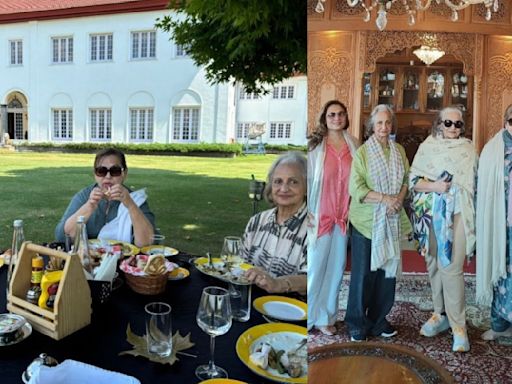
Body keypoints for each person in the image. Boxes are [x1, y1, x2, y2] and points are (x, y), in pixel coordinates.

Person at [409, 106, 477, 352]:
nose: (453, 128)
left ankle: (459, 327)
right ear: (439, 124)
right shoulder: (427, 147)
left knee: (451, 267)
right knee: (434, 263)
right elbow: (413, 182)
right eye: (448, 123)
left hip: (457, 214)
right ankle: (441, 314)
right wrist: (435, 186)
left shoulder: (468, 149)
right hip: (429, 215)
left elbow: (473, 184)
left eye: (458, 124)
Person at [345, 104, 411, 342]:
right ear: (372, 126)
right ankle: (356, 323)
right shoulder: (362, 153)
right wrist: (385, 199)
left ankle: (378, 321)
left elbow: (407, 178)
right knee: (364, 275)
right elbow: (356, 188)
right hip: (366, 222)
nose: (384, 127)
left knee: (386, 274)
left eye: (387, 123)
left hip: (391, 219)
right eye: (379, 123)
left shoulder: (399, 150)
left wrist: (399, 200)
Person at [307, 100, 359, 336]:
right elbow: (305, 179)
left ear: (346, 117)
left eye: (340, 114)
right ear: (325, 118)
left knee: (336, 269)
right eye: (331, 115)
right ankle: (307, 317)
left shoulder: (354, 145)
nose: (336, 118)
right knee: (315, 268)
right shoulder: (315, 147)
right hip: (319, 216)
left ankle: (325, 317)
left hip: (342, 217)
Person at [55, 148, 155, 247]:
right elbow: (62, 236)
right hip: (89, 258)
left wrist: (130, 205)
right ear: (95, 174)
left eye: (115, 171)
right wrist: (89, 206)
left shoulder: (135, 199)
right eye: (101, 171)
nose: (108, 176)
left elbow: (146, 243)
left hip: (124, 260)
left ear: (124, 174)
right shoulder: (85, 196)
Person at [242, 152, 307, 295]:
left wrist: (279, 284)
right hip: (252, 302)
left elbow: (314, 279)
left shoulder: (315, 229)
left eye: (293, 182)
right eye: (278, 181)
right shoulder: (257, 221)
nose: (284, 189)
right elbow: (241, 264)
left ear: (307, 187)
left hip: (292, 309)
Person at [477, 104, 512, 341]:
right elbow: (483, 188)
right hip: (501, 225)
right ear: (505, 121)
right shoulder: (492, 150)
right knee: (499, 272)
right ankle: (499, 325)